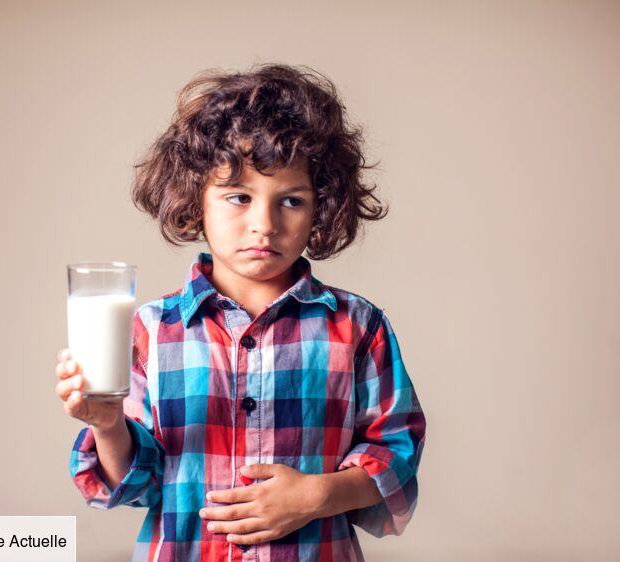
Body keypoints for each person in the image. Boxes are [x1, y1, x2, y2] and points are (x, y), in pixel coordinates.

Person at [55, 63, 426, 562]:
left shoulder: (357, 326)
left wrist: (317, 496)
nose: (264, 224)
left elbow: (397, 452)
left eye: (290, 200)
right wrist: (106, 425)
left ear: (321, 206)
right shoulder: (151, 329)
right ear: (195, 201)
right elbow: (136, 482)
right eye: (238, 197)